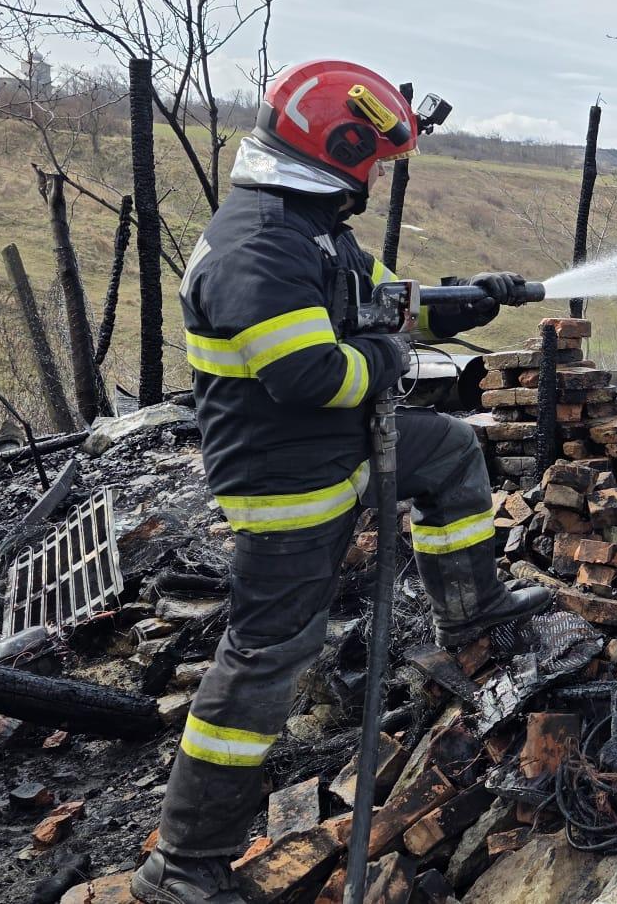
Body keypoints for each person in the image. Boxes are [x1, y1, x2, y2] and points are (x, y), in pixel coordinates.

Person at [132, 59, 551, 904]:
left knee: (452, 456)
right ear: (341, 147)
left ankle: (472, 613)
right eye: (377, 160)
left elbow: (367, 306)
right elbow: (310, 374)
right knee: (267, 658)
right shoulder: (257, 246)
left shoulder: (307, 223)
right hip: (287, 483)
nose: (378, 176)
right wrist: (395, 357)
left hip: (341, 453)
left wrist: (464, 302)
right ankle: (182, 865)